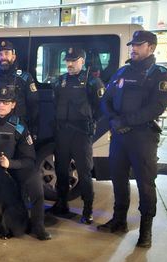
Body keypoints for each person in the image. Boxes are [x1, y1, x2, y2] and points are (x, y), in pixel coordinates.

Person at [98, 30, 167, 248]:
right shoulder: (122, 71)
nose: (133, 48)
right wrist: (113, 119)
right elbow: (106, 99)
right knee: (118, 179)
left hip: (143, 138)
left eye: (138, 45)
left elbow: (156, 107)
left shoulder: (160, 74)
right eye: (132, 45)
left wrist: (126, 121)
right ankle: (119, 220)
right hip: (119, 136)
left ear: (151, 47)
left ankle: (145, 231)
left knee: (145, 184)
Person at [0, 87, 51, 241]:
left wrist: (10, 164)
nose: (1, 105)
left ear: (13, 105)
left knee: (35, 184)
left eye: (6, 103)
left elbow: (29, 159)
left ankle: (38, 226)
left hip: (14, 167)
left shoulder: (19, 126)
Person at [48, 47, 105, 224]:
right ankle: (62, 203)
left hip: (81, 134)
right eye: (68, 60)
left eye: (74, 60)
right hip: (63, 132)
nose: (70, 64)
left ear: (82, 61)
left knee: (84, 173)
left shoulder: (92, 82)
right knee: (61, 171)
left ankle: (87, 210)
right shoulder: (60, 81)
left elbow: (101, 108)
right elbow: (55, 103)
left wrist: (89, 122)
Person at [0, 40, 39, 136]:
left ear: (13, 57)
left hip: (17, 132)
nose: (3, 57)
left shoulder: (25, 78)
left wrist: (32, 131)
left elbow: (34, 107)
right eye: (0, 54)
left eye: (7, 53)